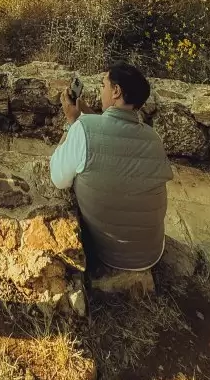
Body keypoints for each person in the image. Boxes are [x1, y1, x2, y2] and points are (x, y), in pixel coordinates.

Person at [50, 62, 172, 272]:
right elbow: (115, 141)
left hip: (108, 253)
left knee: (77, 166)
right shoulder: (153, 138)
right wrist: (87, 117)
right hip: (149, 252)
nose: (100, 89)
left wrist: (72, 122)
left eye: (103, 84)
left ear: (116, 91)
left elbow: (57, 178)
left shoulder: (83, 129)